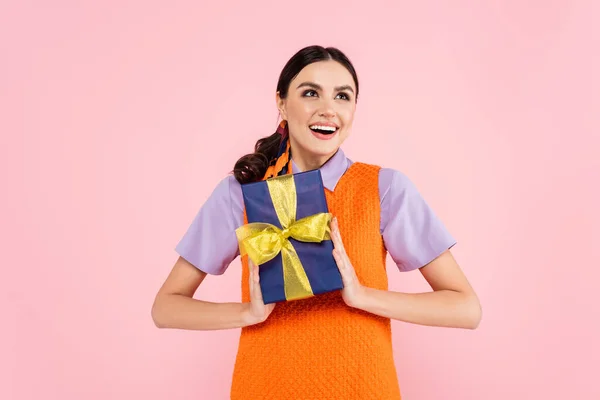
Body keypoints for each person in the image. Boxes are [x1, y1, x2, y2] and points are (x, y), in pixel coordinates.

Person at [151, 45, 482, 399]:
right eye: (310, 93)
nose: (328, 109)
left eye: (343, 96)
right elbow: (166, 307)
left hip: (363, 388)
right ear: (281, 102)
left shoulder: (385, 188)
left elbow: (465, 308)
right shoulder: (243, 191)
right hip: (264, 387)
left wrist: (362, 296)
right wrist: (247, 313)